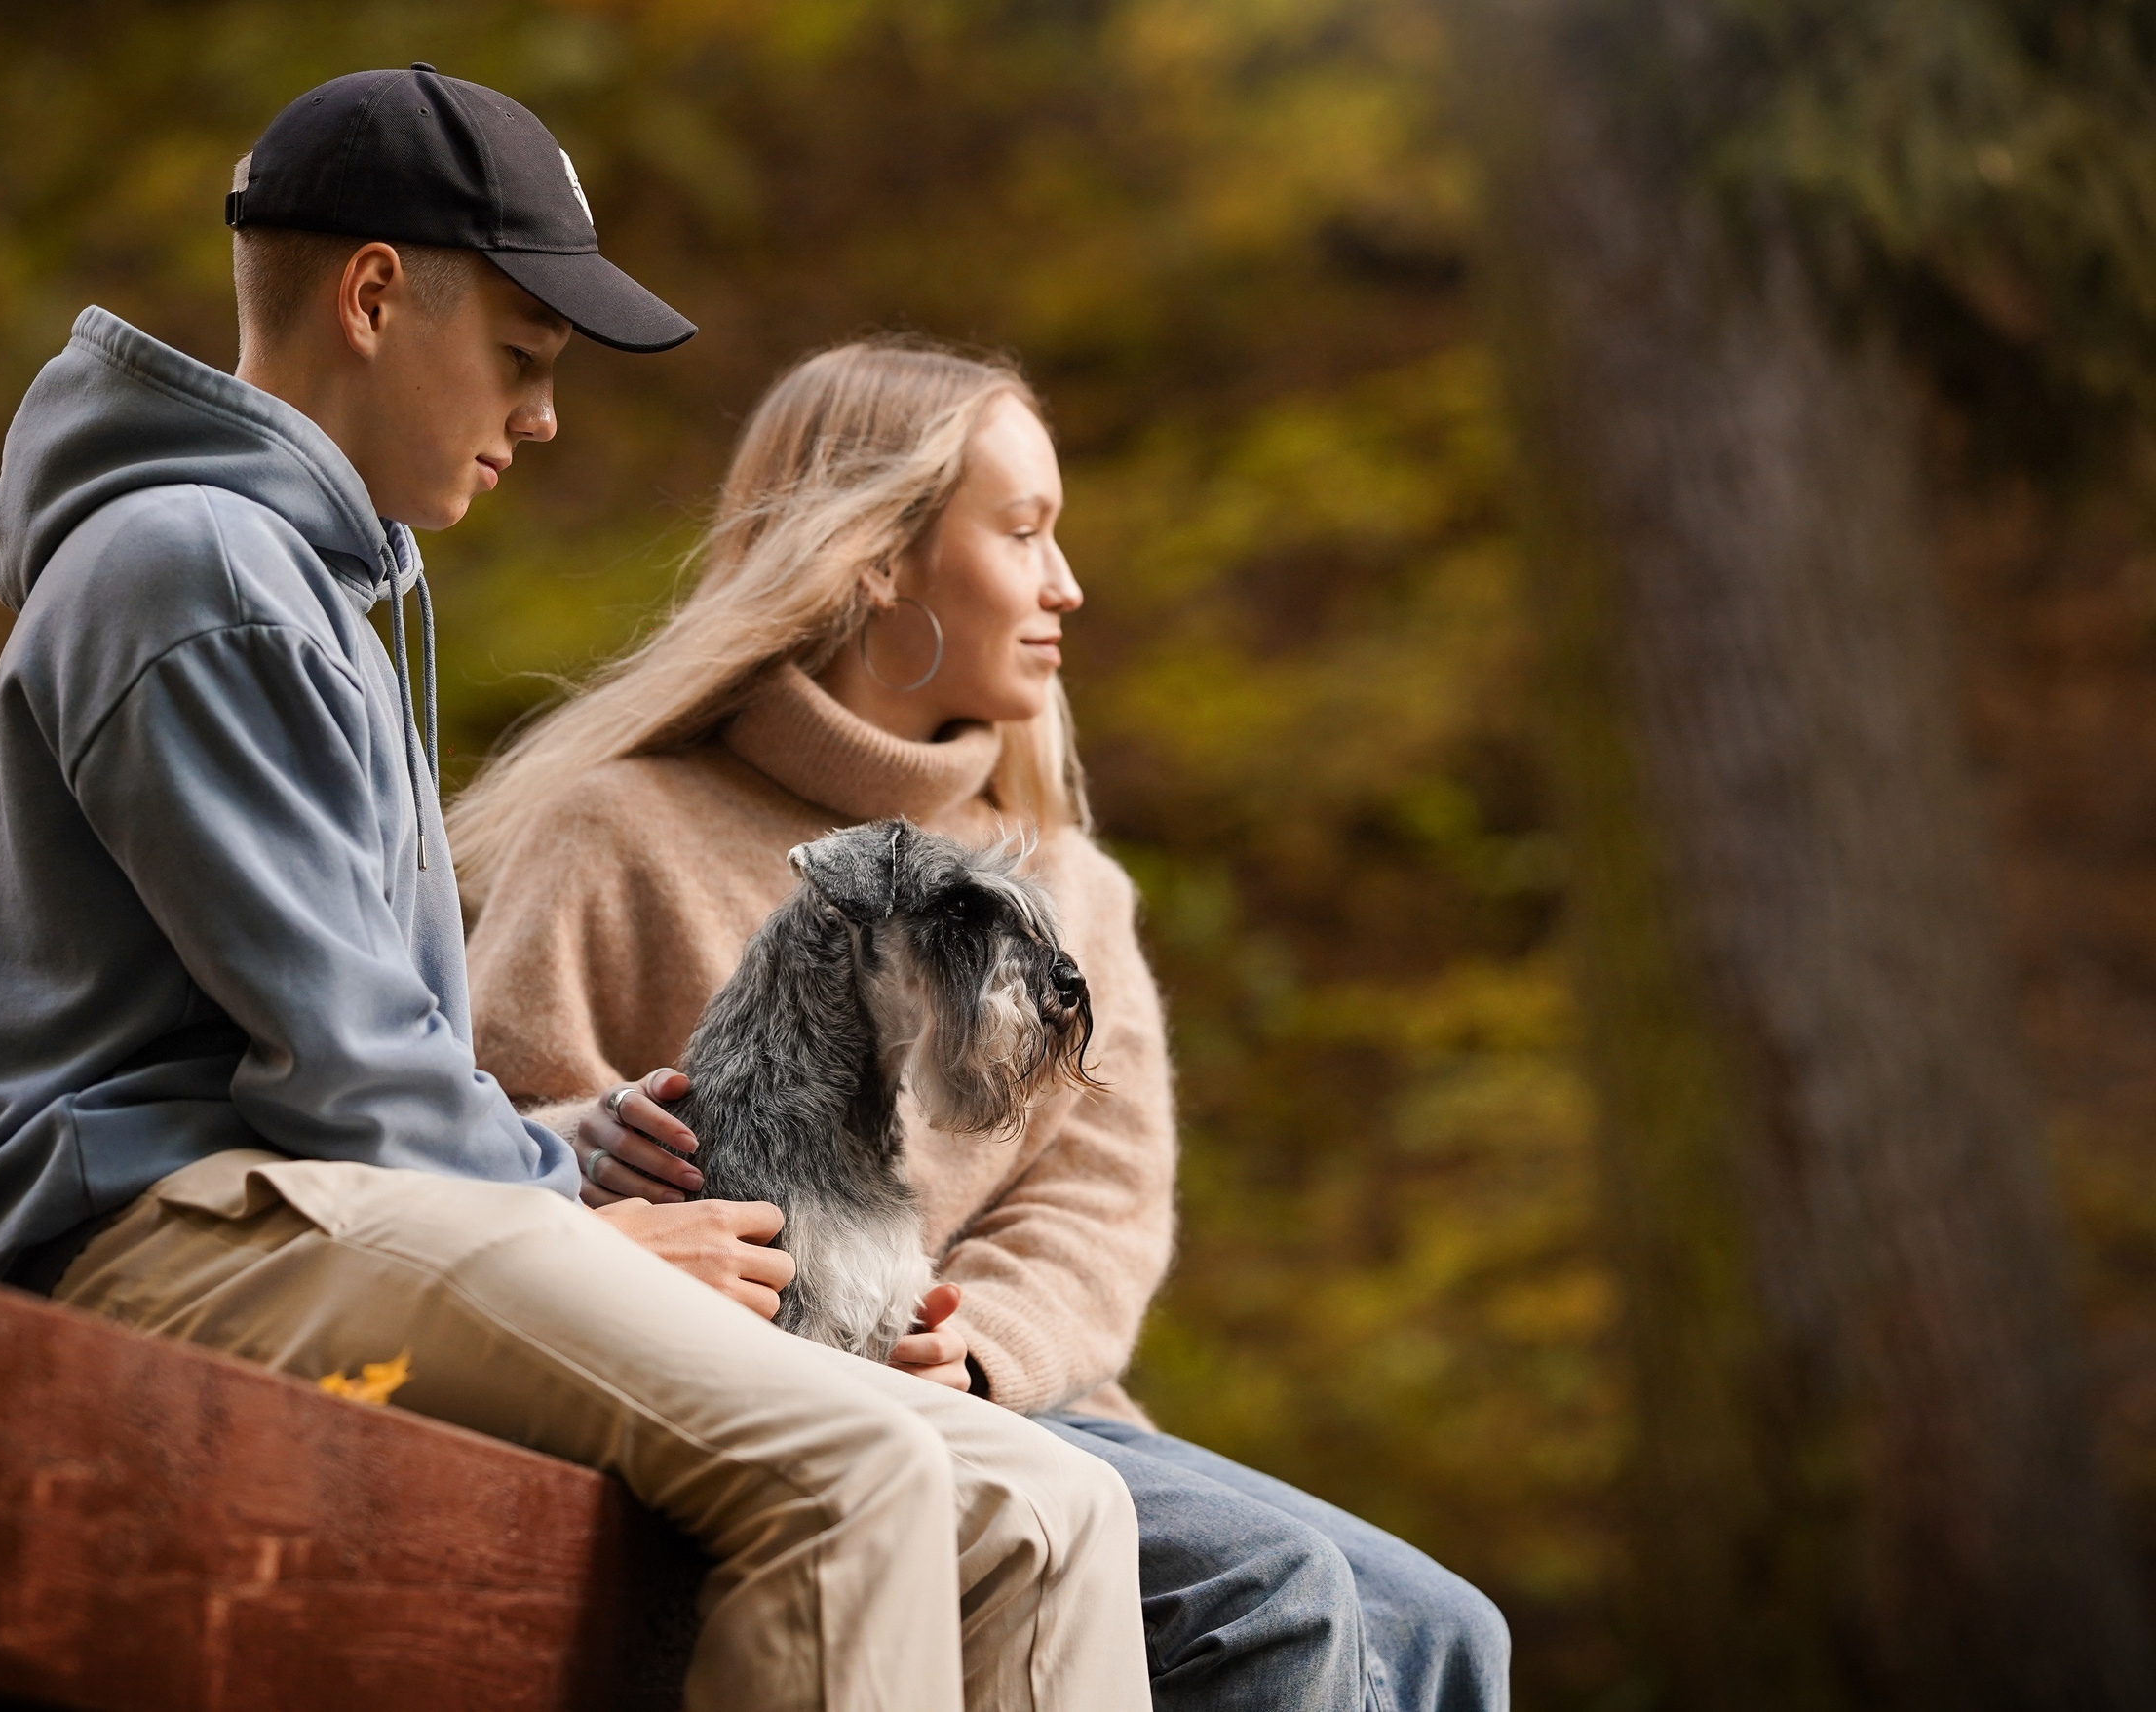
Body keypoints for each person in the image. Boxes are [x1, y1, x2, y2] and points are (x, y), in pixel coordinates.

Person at [0, 68, 1151, 1712]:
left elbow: (367, 1061)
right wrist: (594, 1225)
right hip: (143, 1239)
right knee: (854, 1474)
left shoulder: (316, 595)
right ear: (370, 297)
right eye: (522, 360)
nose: (542, 419)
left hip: (322, 1210)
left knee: (1050, 1508)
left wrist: (572, 1146)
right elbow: (347, 1073)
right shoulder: (194, 568)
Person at [450, 338, 1514, 1712]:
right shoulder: (621, 833)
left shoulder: (1069, 886)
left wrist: (979, 1342)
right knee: (1275, 1600)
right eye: (1022, 534)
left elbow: (1096, 1211)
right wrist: (589, 1144)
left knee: (1447, 1632)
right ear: (878, 558)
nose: (1066, 585)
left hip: (1009, 1407)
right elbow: (475, 1130)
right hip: (756, 1420)